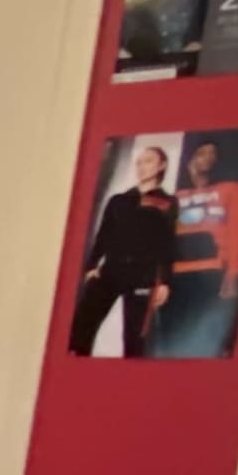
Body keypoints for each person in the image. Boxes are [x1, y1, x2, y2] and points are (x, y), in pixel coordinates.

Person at [72, 143, 176, 355]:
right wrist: (91, 267)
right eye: (139, 162)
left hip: (142, 276)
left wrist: (165, 281)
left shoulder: (167, 202)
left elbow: (167, 243)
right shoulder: (118, 200)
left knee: (134, 339)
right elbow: (103, 236)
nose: (141, 166)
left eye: (148, 161)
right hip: (111, 270)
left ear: (161, 165)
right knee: (81, 328)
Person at [160, 136, 238, 355]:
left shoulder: (232, 190)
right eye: (202, 153)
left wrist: (234, 272)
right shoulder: (174, 198)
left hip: (211, 274)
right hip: (175, 277)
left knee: (203, 345)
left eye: (213, 154)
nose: (207, 159)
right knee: (170, 344)